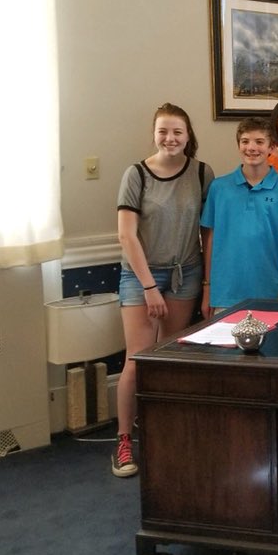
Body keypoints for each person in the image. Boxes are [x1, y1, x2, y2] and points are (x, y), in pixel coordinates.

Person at [114, 103, 214, 478]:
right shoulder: (136, 174)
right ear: (154, 134)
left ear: (188, 136)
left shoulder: (202, 173)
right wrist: (149, 287)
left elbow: (207, 232)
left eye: (177, 132)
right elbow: (126, 235)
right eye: (163, 131)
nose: (170, 138)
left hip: (185, 273)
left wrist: (207, 283)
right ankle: (124, 439)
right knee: (137, 359)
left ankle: (164, 429)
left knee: (171, 356)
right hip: (140, 274)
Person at [200, 117, 278, 315]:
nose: (251, 148)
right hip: (225, 292)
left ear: (272, 147)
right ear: (238, 145)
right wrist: (207, 287)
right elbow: (210, 239)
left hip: (270, 291)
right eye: (245, 141)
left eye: (259, 142)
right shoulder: (219, 188)